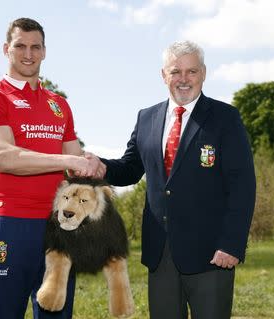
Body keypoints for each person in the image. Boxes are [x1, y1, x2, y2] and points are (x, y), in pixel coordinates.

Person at [96, 40, 256, 318]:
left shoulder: (225, 118)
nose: (183, 79)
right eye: (175, 72)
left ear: (203, 73)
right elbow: (130, 169)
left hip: (211, 254)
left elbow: (242, 186)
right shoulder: (146, 118)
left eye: (191, 71)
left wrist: (231, 245)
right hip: (161, 254)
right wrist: (98, 166)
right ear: (163, 75)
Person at [0, 18, 103, 319]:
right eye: (20, 46)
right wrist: (69, 161)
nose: (28, 53)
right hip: (12, 224)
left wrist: (89, 161)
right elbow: (5, 156)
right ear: (7, 49)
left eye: (35, 46)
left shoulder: (59, 104)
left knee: (56, 312)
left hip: (59, 226)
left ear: (44, 51)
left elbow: (74, 159)